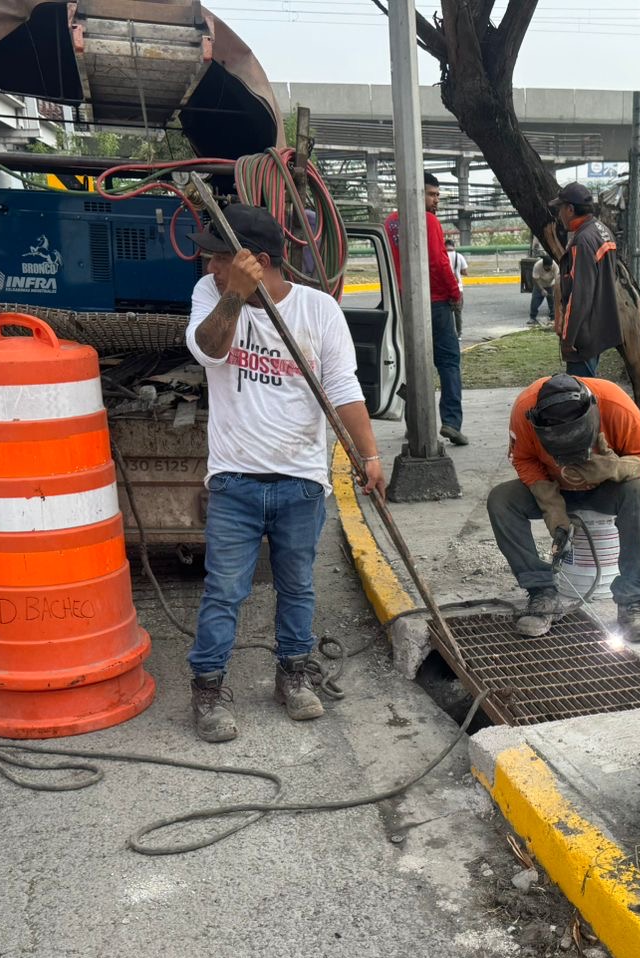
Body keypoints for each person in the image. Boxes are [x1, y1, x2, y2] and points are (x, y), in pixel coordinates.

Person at [185, 204, 386, 741]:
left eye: (220, 258)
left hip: (301, 481)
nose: (211, 268)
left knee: (298, 588)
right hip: (235, 479)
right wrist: (234, 292)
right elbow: (209, 350)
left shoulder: (320, 311)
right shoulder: (213, 297)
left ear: (260, 260)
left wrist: (369, 455)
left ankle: (293, 677)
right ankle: (207, 690)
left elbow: (342, 387)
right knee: (224, 590)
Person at [486, 373, 640, 643]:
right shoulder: (524, 410)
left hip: (605, 488)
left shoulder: (614, 404)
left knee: (639, 492)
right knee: (501, 500)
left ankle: (632, 601)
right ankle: (542, 593)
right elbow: (523, 459)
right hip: (556, 488)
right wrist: (551, 506)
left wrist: (618, 468)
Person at [386, 172, 466, 446]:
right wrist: (455, 294)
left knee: (412, 365)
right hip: (436, 302)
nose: (435, 201)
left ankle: (414, 424)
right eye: (431, 194)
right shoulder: (429, 221)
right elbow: (439, 263)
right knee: (448, 362)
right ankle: (451, 421)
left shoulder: (391, 223)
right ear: (416, 193)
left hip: (403, 303)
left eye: (437, 196)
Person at [550, 182, 623, 378]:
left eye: (560, 209)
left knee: (581, 395)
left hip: (584, 334)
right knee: (589, 387)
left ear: (570, 209)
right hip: (599, 326)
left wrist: (568, 339)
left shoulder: (582, 241)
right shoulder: (602, 230)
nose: (559, 216)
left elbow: (579, 296)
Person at [445, 226, 469, 337]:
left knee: (447, 313)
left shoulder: (443, 255)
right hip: (458, 288)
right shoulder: (459, 256)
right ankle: (459, 334)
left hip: (445, 289)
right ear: (453, 247)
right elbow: (465, 272)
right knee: (458, 313)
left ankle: (449, 333)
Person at [529, 254, 558, 326]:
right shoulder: (537, 265)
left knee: (553, 302)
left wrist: (554, 290)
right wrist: (542, 289)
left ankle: (553, 318)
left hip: (551, 285)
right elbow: (535, 279)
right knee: (535, 302)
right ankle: (532, 318)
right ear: (543, 265)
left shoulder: (555, 265)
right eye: (547, 267)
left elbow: (557, 279)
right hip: (540, 285)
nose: (549, 268)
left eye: (550, 267)